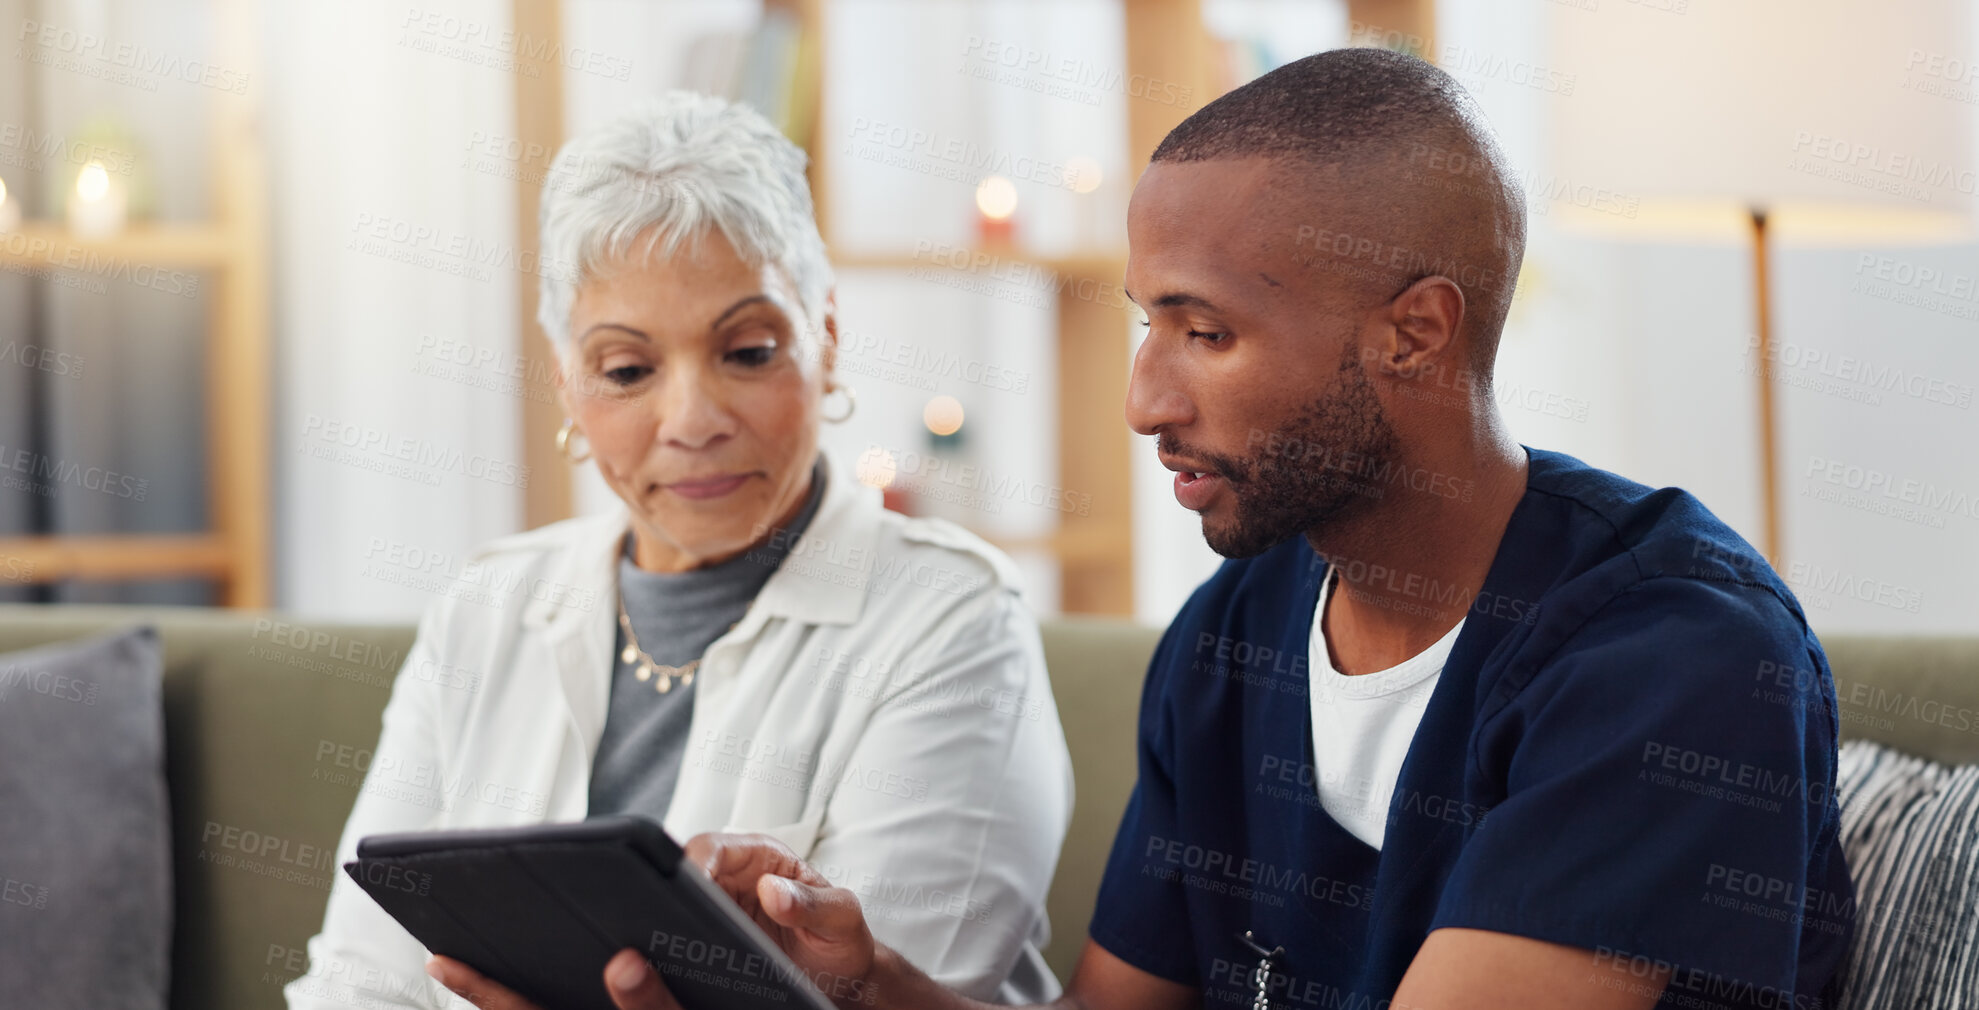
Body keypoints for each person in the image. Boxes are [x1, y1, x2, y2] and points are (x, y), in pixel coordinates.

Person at [430, 49, 1853, 1010]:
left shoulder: (1672, 662)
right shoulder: (1238, 631)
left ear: (1413, 334)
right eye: (1142, 323)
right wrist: (858, 986)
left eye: (1205, 331)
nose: (1140, 398)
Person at [286, 92, 1073, 1010]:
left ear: (823, 340)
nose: (693, 423)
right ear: (568, 385)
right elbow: (359, 983)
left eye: (746, 350)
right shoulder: (484, 605)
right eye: (626, 370)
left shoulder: (951, 621)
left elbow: (884, 990)